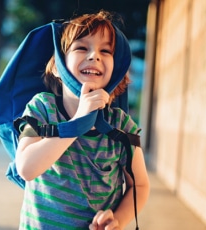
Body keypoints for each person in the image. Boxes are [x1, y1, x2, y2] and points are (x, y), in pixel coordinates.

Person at [14, 10, 150, 230]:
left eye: (105, 51)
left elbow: (140, 185)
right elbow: (26, 168)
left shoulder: (122, 126)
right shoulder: (41, 107)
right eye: (81, 48)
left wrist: (118, 219)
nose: (94, 55)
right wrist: (79, 121)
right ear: (57, 67)